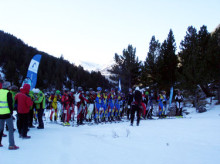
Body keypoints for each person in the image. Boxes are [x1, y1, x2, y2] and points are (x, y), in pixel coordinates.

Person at [0, 81, 19, 150]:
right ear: (8, 87)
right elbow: (10, 104)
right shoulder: (8, 93)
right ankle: (11, 145)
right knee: (10, 129)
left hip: (0, 113)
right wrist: (11, 112)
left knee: (0, 129)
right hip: (7, 114)